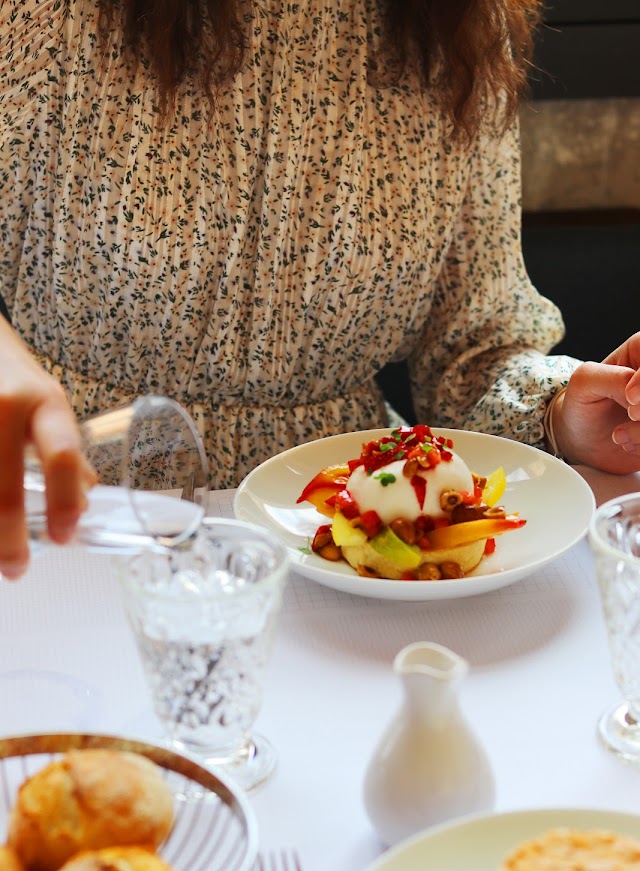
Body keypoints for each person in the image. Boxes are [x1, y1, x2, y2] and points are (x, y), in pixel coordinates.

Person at [1, 0, 640, 581]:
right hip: (68, 513)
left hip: (352, 548)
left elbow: (472, 345)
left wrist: (561, 415)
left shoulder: (465, 26)